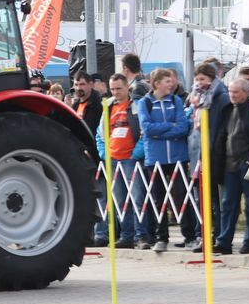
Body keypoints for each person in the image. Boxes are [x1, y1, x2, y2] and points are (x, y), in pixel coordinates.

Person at [139, 68, 195, 252]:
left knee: (182, 197)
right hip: (156, 158)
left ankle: (189, 236)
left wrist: (162, 131)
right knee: (158, 199)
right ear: (157, 83)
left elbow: (182, 127)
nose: (171, 85)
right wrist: (169, 127)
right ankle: (161, 237)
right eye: (167, 81)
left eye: (171, 81)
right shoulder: (145, 103)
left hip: (178, 157)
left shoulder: (176, 100)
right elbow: (147, 129)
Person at [94, 74, 147, 248]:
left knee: (138, 198)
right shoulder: (108, 107)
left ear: (127, 88)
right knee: (120, 200)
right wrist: (104, 153)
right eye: (113, 89)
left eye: (119, 88)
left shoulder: (137, 106)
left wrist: (136, 153)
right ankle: (126, 236)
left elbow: (144, 131)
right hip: (113, 160)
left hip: (131, 159)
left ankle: (142, 236)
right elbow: (100, 134)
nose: (115, 92)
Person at [212, 78, 249, 254]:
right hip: (229, 166)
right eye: (231, 91)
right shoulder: (228, 111)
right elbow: (222, 137)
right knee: (228, 205)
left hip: (247, 165)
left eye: (236, 92)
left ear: (247, 92)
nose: (232, 95)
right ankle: (224, 241)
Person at [187, 63, 229, 247]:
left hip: (213, 153)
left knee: (216, 199)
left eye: (203, 79)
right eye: (197, 79)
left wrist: (210, 152)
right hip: (198, 151)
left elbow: (218, 129)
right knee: (202, 197)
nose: (199, 83)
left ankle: (219, 234)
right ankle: (204, 234)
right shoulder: (197, 99)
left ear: (212, 79)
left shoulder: (220, 97)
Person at [71, 71, 103, 136]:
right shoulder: (75, 106)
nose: (78, 88)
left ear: (91, 85)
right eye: (76, 84)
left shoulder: (99, 104)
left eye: (82, 84)